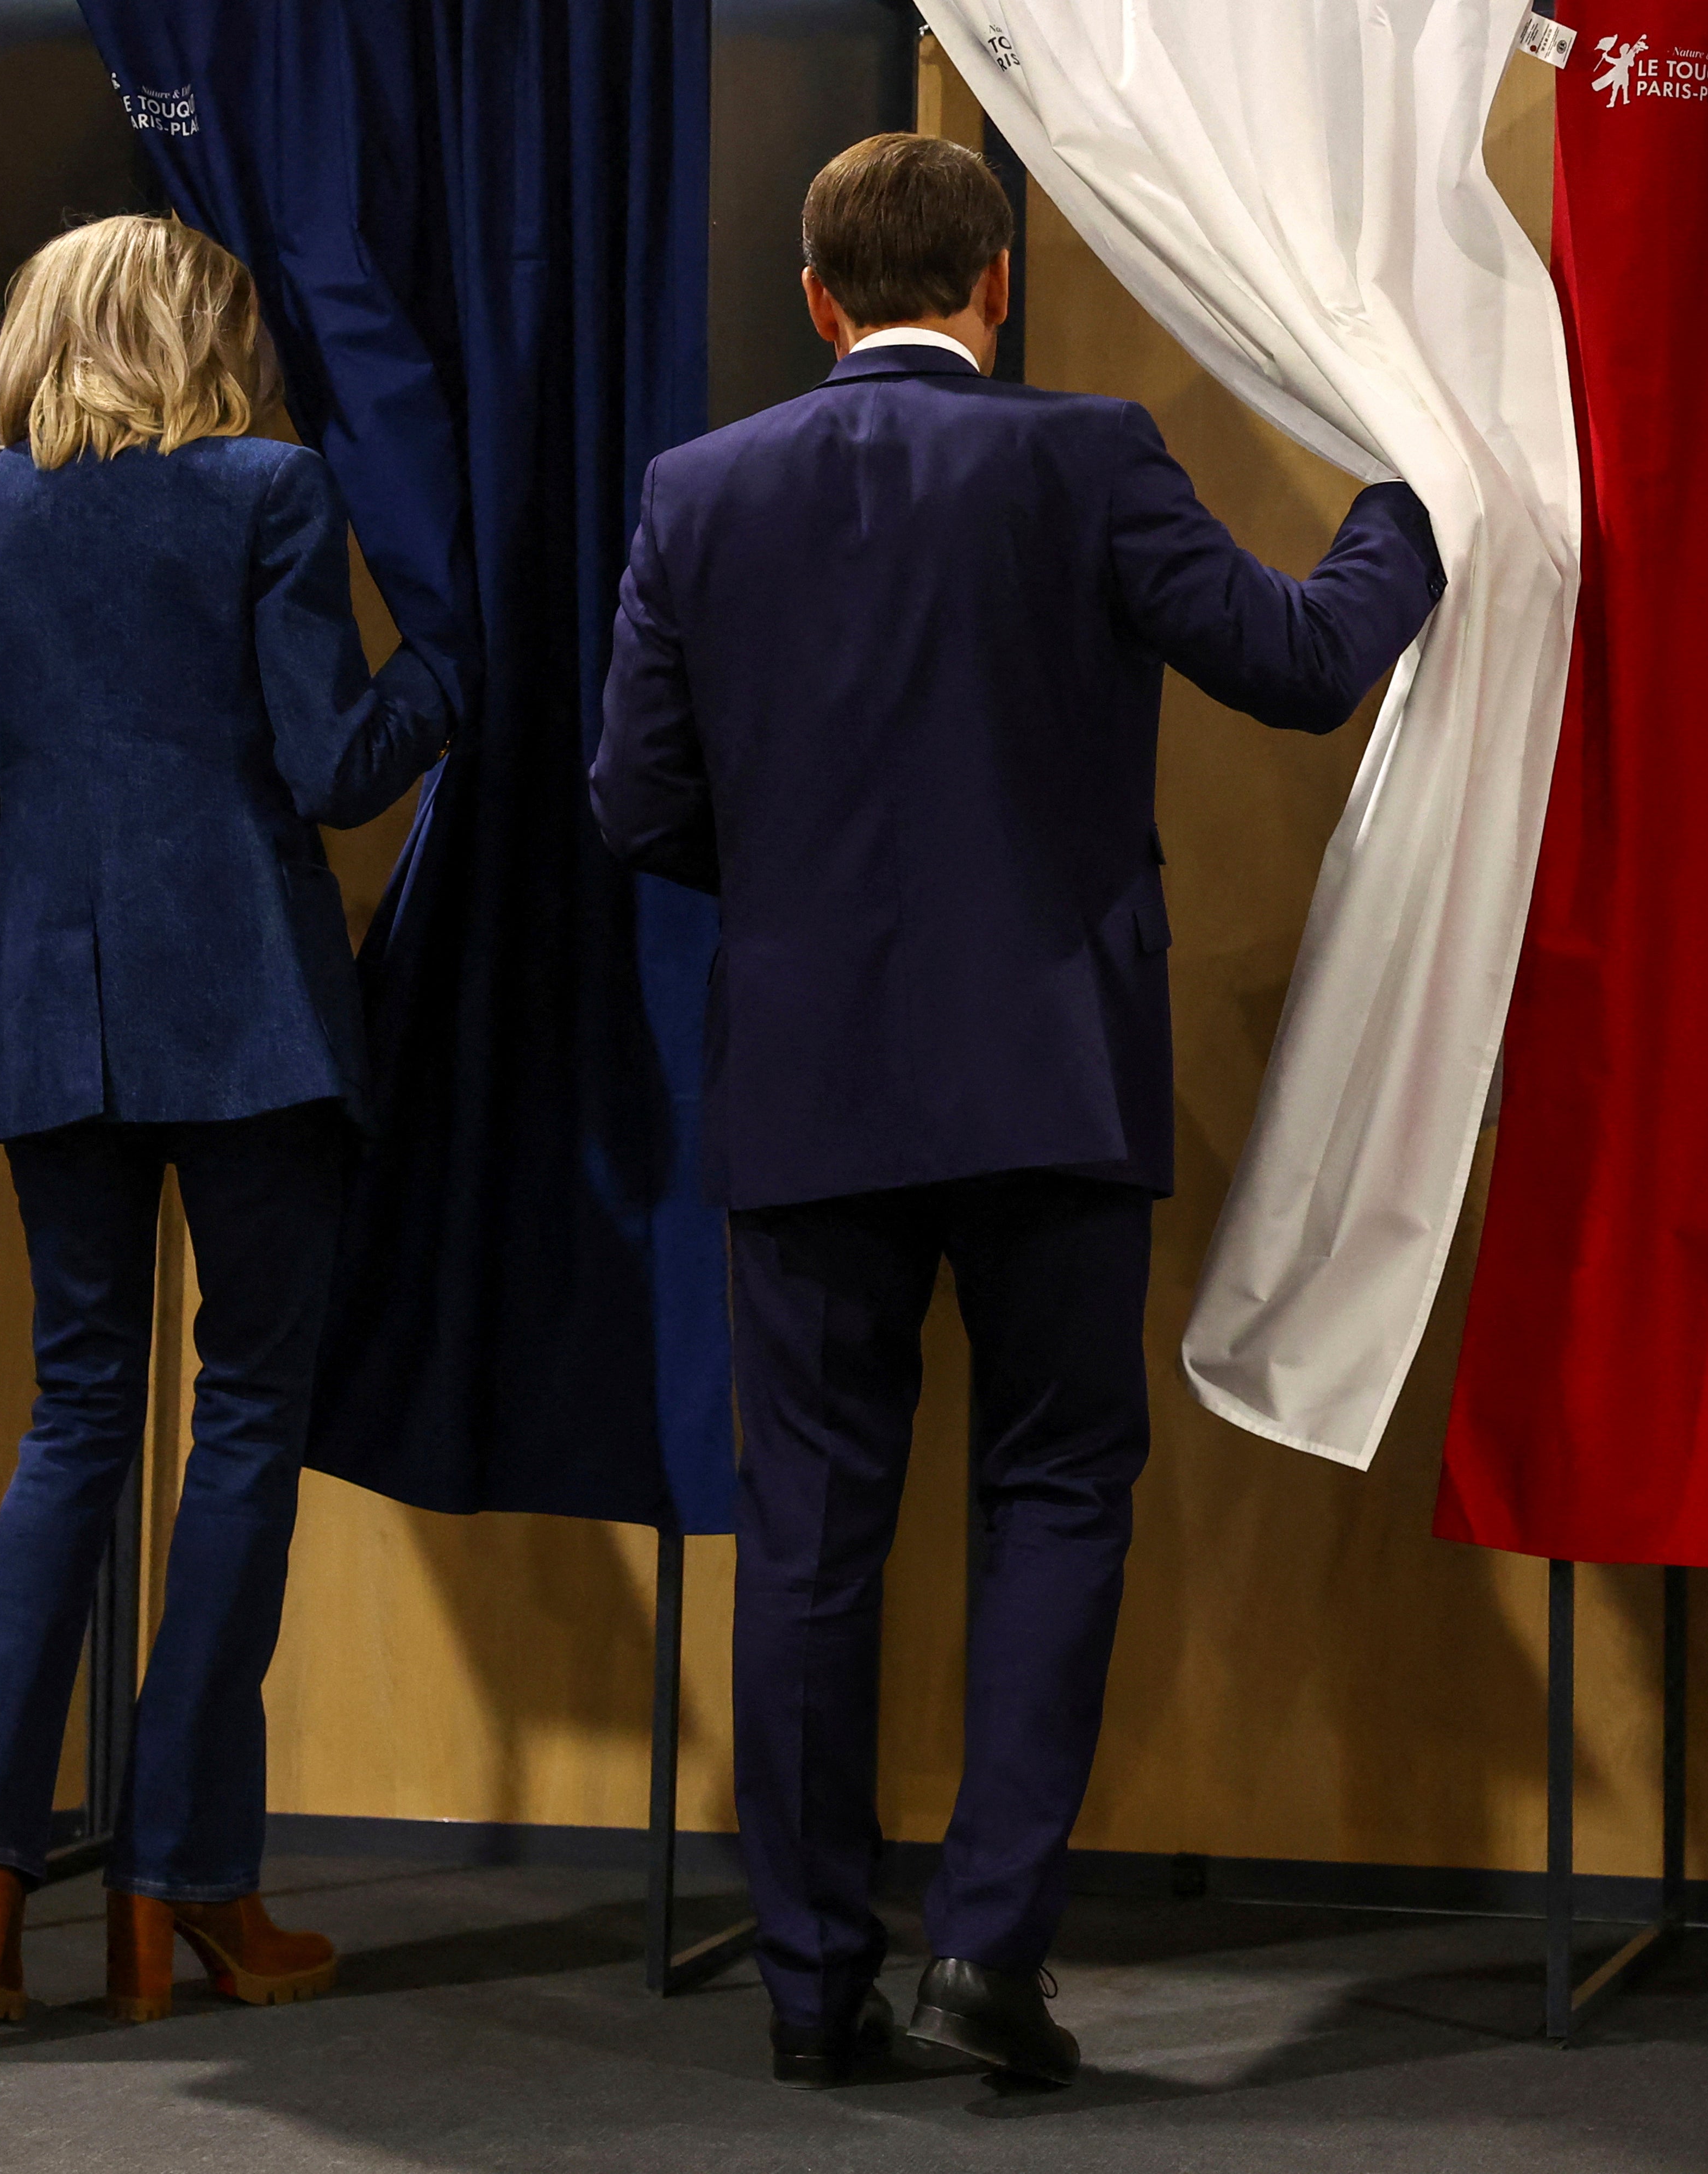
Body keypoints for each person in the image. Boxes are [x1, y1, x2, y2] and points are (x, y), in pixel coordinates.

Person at [591, 133, 1444, 2089]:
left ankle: (813, 1994)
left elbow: (633, 804)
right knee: (1055, 1491)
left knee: (809, 1536)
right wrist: (1431, 493)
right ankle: (988, 1956)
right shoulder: (1087, 457)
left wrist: (811, 896)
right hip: (1051, 1074)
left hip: (807, 1086)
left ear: (819, 301)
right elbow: (1308, 661)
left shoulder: (697, 492)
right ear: (999, 286)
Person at [0, 214, 453, 2027]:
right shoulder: (267, 495)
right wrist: (448, 676)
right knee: (244, 1426)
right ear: (209, 330)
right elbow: (329, 763)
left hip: (49, 1012)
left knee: (73, 1419)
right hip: (254, 1017)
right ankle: (182, 1889)